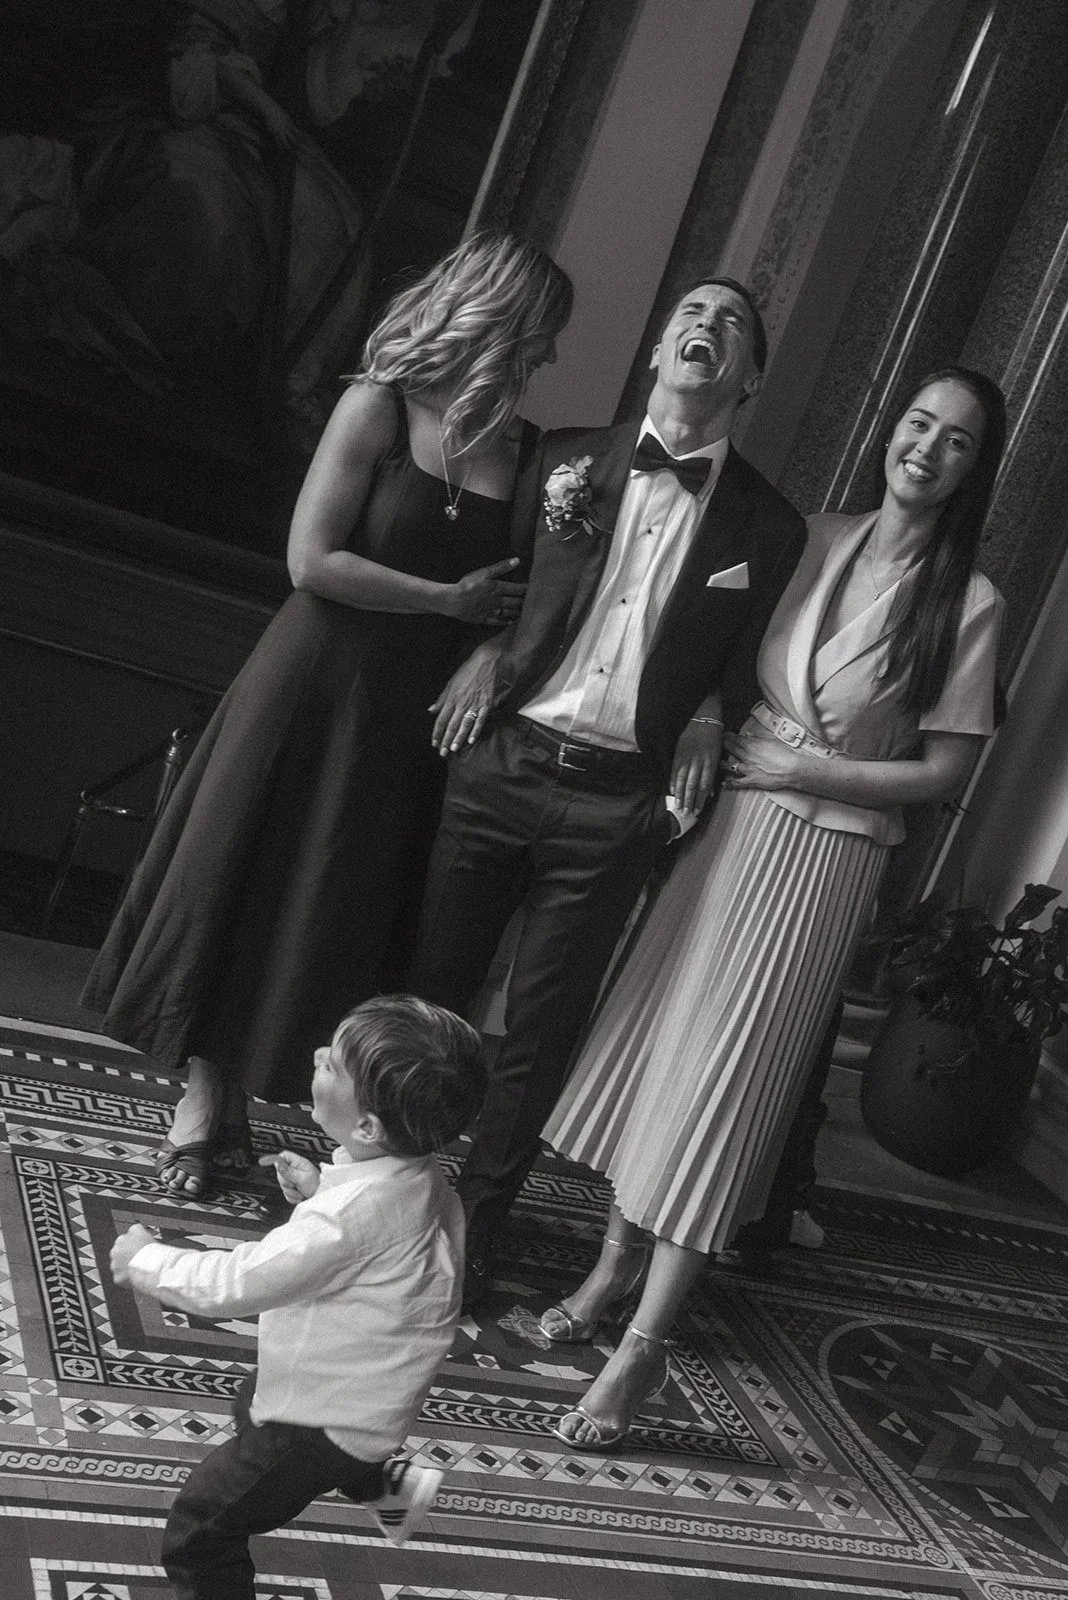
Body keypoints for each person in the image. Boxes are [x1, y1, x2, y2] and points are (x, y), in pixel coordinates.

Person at [540, 366, 1008, 1448]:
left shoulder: (970, 604)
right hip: (731, 831)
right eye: (919, 425)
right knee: (666, 1051)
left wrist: (813, 776)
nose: (927, 451)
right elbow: (712, 649)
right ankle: (610, 1268)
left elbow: (942, 772)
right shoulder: (814, 536)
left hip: (821, 857)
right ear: (892, 428)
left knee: (730, 1082)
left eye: (956, 444)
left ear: (974, 472)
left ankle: (645, 1346)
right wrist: (708, 718)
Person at [83, 232, 572, 1198]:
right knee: (252, 875)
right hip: (312, 685)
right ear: (495, 316)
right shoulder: (377, 407)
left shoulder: (527, 453)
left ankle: (314, 1117)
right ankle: (202, 1105)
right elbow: (312, 562)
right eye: (542, 333)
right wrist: (446, 603)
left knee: (337, 904)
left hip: (411, 719)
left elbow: (518, 594)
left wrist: (480, 644)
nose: (548, 356)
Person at [409, 276, 807, 1310]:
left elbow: (755, 656)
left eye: (730, 324)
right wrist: (491, 647)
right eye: (688, 310)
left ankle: (474, 1228)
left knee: (539, 1030)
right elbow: (499, 584)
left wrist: (716, 711)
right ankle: (376, 1194)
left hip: (617, 802)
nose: (703, 327)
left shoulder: (770, 526)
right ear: (657, 348)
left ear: (750, 374)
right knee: (431, 987)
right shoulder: (565, 458)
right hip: (503, 763)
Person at [110, 993, 486, 1587]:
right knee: (251, 1402)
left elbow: (238, 1283)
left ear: (366, 1125)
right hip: (362, 1387)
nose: (316, 1055)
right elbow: (382, 1238)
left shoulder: (345, 1222)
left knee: (202, 1530)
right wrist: (319, 1191)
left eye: (332, 1064)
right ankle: (395, 1489)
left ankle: (361, 1472)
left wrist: (146, 1259)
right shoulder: (424, 1177)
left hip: (315, 1420)